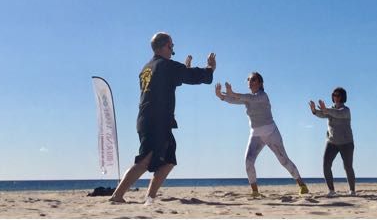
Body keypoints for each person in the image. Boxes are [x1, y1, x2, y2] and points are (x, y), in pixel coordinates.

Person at [109, 32, 216, 204]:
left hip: (148, 119)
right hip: (155, 120)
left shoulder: (147, 68)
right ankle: (117, 195)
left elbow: (170, 81)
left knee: (169, 159)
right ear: (166, 46)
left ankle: (150, 197)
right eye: (172, 47)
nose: (172, 50)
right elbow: (193, 76)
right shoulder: (165, 65)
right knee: (145, 159)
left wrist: (185, 69)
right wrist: (210, 68)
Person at [216, 72, 308, 198]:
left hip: (271, 133)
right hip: (255, 135)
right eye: (248, 79)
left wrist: (232, 93)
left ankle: (302, 185)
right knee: (248, 162)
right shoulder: (247, 99)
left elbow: (249, 98)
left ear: (260, 83)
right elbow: (234, 100)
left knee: (284, 160)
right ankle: (255, 191)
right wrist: (220, 96)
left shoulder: (263, 96)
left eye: (253, 79)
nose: (250, 81)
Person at [309, 87, 356, 197]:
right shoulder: (330, 109)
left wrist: (326, 110)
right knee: (326, 165)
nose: (336, 97)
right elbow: (322, 114)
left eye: (338, 95)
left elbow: (337, 113)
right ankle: (331, 190)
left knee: (348, 167)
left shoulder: (346, 110)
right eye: (334, 95)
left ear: (342, 97)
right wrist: (314, 110)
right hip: (332, 142)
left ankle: (352, 190)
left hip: (346, 142)